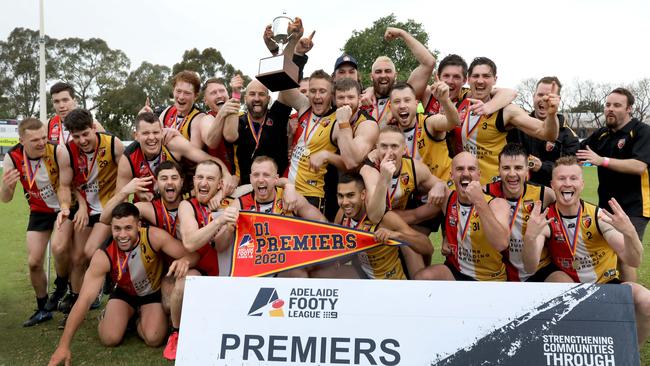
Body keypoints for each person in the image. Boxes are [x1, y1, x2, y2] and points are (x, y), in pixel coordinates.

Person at [47, 202, 197, 365]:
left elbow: (193, 255)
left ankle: (136, 319)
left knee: (154, 338)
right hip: (124, 294)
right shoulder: (103, 255)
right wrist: (63, 345)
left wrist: (184, 260)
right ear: (111, 227)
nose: (122, 235)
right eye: (117, 228)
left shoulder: (154, 237)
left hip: (151, 292)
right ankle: (111, 315)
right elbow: (83, 301)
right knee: (110, 338)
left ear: (138, 225)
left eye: (128, 228)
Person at [522, 156, 650, 346]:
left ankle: (629, 352)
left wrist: (630, 232)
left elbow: (634, 260)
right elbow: (530, 265)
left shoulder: (598, 216)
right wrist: (531, 237)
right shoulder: (545, 218)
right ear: (552, 184)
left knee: (647, 302)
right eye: (561, 179)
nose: (567, 183)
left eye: (573, 178)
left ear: (582, 184)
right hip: (568, 286)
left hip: (604, 284)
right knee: (562, 287)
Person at [0, 118, 71, 326]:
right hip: (39, 211)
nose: (42, 143)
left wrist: (65, 208)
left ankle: (61, 287)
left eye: (44, 137)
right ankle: (42, 308)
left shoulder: (57, 151)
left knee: (59, 248)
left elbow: (66, 186)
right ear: (21, 140)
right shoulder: (12, 157)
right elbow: (6, 198)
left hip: (63, 208)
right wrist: (6, 186)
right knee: (33, 262)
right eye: (35, 140)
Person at [577, 87, 650, 282]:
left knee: (626, 255)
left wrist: (602, 160)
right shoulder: (601, 134)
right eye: (608, 105)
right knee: (606, 251)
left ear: (629, 109)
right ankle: (613, 299)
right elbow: (576, 153)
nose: (610, 109)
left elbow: (639, 166)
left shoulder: (642, 131)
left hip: (635, 206)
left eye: (617, 105)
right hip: (605, 206)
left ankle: (631, 301)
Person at [413, 152, 511, 281]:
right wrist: (440, 184)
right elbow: (415, 215)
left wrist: (479, 202)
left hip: (490, 278)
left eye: (471, 169)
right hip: (456, 271)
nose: (465, 173)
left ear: (479, 174)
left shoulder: (497, 204)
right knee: (423, 277)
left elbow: (501, 244)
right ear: (451, 175)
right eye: (459, 169)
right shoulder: (447, 198)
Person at [462, 57, 560, 185]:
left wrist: (552, 115)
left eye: (486, 76)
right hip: (464, 186)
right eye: (476, 76)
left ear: (495, 80)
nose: (480, 80)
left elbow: (548, 134)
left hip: (494, 189)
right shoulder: (461, 99)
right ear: (468, 79)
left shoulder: (507, 111)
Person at [483, 143, 569, 282]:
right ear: (498, 170)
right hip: (501, 271)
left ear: (527, 170)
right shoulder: (485, 192)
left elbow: (572, 210)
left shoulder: (544, 194)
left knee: (564, 283)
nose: (512, 174)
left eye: (518, 168)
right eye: (506, 168)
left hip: (540, 267)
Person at [335, 173, 433, 279]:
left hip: (390, 282)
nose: (344, 202)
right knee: (323, 272)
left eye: (350, 195)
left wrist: (398, 236)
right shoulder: (342, 214)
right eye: (340, 196)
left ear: (363, 194)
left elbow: (428, 248)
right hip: (363, 278)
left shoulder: (386, 218)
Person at [116, 112, 230, 202]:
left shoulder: (173, 144)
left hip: (179, 205)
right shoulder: (128, 158)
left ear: (162, 132)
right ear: (136, 136)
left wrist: (227, 175)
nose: (151, 138)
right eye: (145, 133)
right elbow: (120, 198)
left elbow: (212, 160)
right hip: (147, 209)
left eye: (156, 132)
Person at [422, 54, 516, 156]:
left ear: (464, 80)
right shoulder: (428, 94)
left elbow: (510, 93)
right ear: (438, 76)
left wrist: (488, 107)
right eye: (446, 76)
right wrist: (404, 36)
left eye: (456, 77)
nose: (450, 81)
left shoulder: (467, 95)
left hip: (458, 163)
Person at [507, 77, 579, 187]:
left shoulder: (569, 136)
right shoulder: (516, 127)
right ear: (533, 96)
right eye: (540, 95)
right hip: (519, 194)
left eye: (549, 96)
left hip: (552, 196)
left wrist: (542, 166)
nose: (544, 99)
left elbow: (570, 170)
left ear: (558, 99)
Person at [361, 27, 436, 127]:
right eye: (378, 72)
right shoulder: (362, 99)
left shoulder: (405, 94)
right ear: (371, 76)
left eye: (388, 71)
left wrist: (402, 34)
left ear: (395, 75)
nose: (383, 75)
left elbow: (429, 63)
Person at [177, 160, 239, 277]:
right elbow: (190, 243)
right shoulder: (187, 205)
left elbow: (256, 182)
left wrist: (286, 185)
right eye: (200, 177)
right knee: (184, 281)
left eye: (210, 179)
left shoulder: (235, 200)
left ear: (220, 184)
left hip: (233, 273)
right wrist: (219, 220)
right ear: (194, 180)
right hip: (204, 272)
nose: (203, 183)